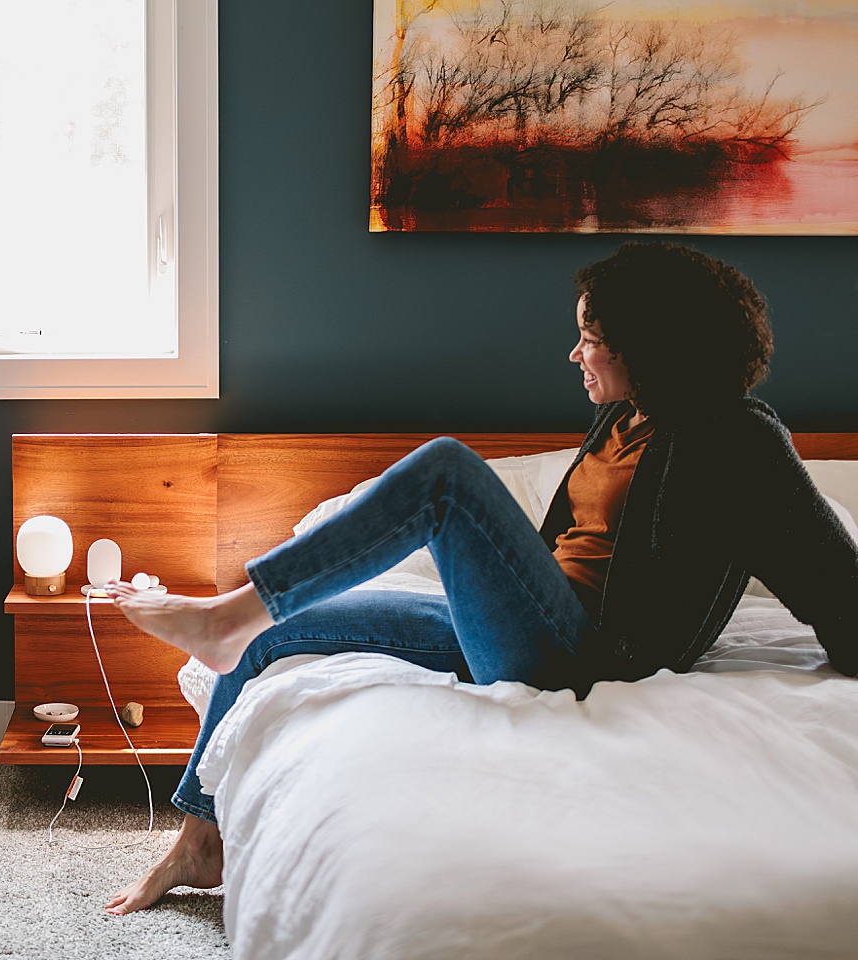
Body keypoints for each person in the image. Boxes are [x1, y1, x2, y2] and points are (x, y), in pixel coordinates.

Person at [101, 240, 858, 916]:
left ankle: (229, 611)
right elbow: (561, 546)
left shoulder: (738, 439)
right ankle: (199, 842)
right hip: (531, 623)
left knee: (447, 473)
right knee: (277, 636)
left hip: (589, 655)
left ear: (649, 349)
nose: (575, 353)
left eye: (591, 337)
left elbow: (832, 579)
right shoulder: (629, 416)